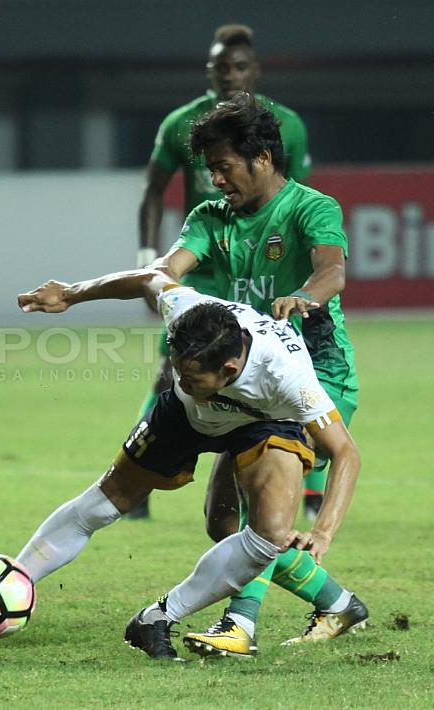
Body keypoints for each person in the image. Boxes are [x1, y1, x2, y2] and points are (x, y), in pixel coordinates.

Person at [0, 269, 362, 660]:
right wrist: (71, 293)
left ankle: (157, 618)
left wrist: (323, 531)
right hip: (186, 418)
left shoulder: (287, 378)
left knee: (269, 533)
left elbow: (346, 453)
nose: (181, 380)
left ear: (229, 370)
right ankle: (6, 590)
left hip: (265, 423)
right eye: (178, 370)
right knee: (108, 501)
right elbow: (149, 278)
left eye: (191, 376)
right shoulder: (187, 310)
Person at [151, 91, 362, 656]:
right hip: (245, 381)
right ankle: (338, 602)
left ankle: (239, 624)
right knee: (222, 523)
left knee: (258, 510)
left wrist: (302, 296)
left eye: (223, 167)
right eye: (210, 169)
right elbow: (173, 264)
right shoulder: (210, 218)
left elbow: (333, 270)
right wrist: (158, 278)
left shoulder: (310, 208)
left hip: (315, 375)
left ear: (262, 158)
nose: (214, 180)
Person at [130, 24, 311, 521]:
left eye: (239, 67)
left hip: (258, 265)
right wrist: (150, 258)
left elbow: (295, 201)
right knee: (176, 371)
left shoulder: (286, 125)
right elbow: (152, 191)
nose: (230, 74)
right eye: (221, 67)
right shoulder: (182, 124)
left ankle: (302, 484)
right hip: (201, 265)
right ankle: (142, 476)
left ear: (256, 70)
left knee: (282, 370)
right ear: (209, 71)